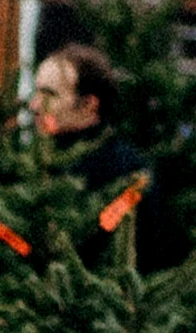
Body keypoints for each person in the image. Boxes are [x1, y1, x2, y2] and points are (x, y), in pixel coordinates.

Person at [29, 43, 161, 266]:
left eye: (49, 94)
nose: (34, 105)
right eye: (36, 91)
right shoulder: (33, 162)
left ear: (88, 104)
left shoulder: (126, 172)